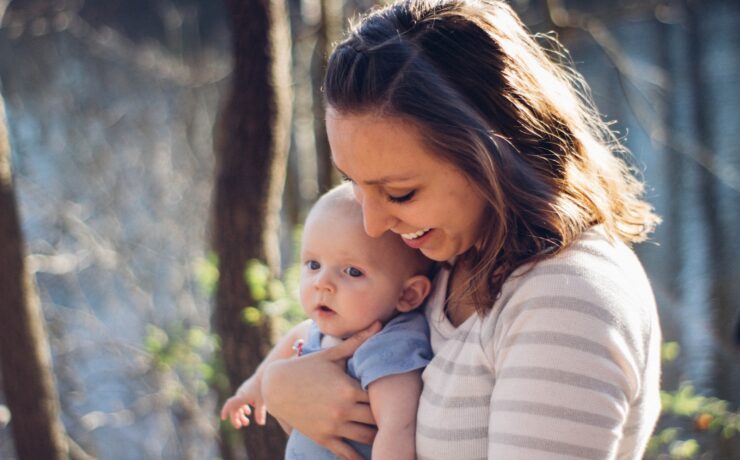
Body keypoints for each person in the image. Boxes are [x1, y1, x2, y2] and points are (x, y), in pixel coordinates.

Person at [261, 0, 663, 459]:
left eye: (400, 193)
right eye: (354, 183)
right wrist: (281, 385)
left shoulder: (565, 298)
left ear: (493, 157)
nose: (373, 226)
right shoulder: (450, 256)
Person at [220, 184, 434, 460]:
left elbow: (397, 431)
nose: (322, 283)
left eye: (352, 271)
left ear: (408, 294)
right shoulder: (322, 329)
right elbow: (293, 339)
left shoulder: (389, 347)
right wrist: (251, 388)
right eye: (313, 265)